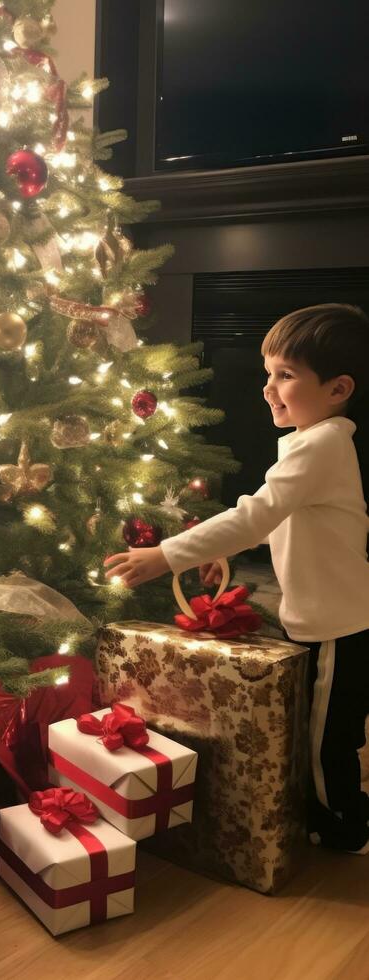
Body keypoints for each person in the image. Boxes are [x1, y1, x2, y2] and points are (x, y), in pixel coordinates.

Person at [105, 303, 369, 854]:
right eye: (268, 374)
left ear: (339, 388)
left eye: (286, 376)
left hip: (337, 625)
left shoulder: (321, 444)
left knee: (326, 738)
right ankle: (328, 812)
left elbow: (256, 513)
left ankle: (344, 829)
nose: (269, 389)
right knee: (319, 729)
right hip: (325, 620)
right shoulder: (315, 443)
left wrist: (167, 555)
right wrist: (229, 553)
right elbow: (284, 519)